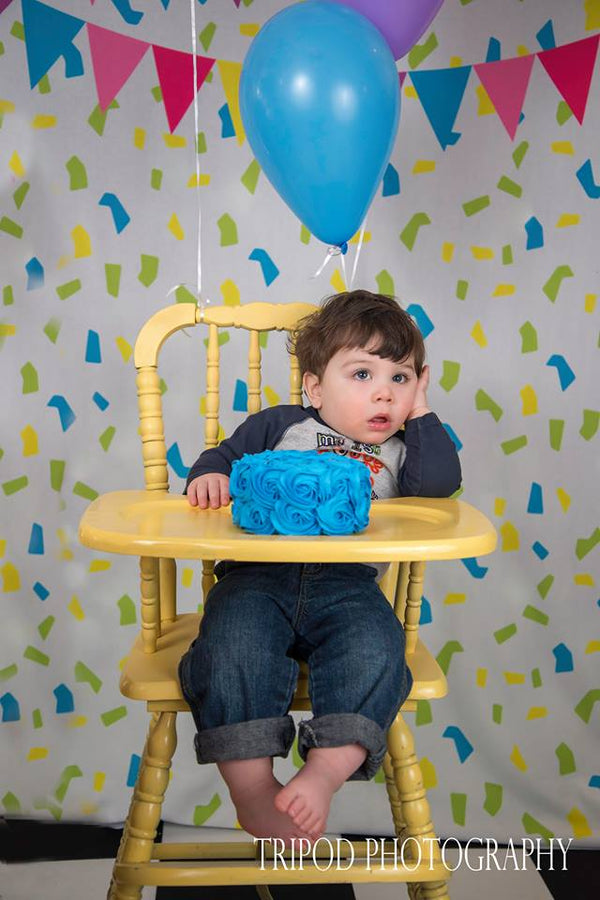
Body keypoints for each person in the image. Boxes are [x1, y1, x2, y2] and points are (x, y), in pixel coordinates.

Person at [178, 290, 461, 844]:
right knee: (230, 645)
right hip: (257, 578)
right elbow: (220, 457)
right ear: (314, 387)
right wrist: (208, 477)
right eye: (361, 374)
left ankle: (325, 771)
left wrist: (420, 411)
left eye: (400, 379)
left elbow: (439, 489)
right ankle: (252, 786)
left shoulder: (404, 453)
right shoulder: (278, 426)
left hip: (348, 586)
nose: (383, 392)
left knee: (379, 650)